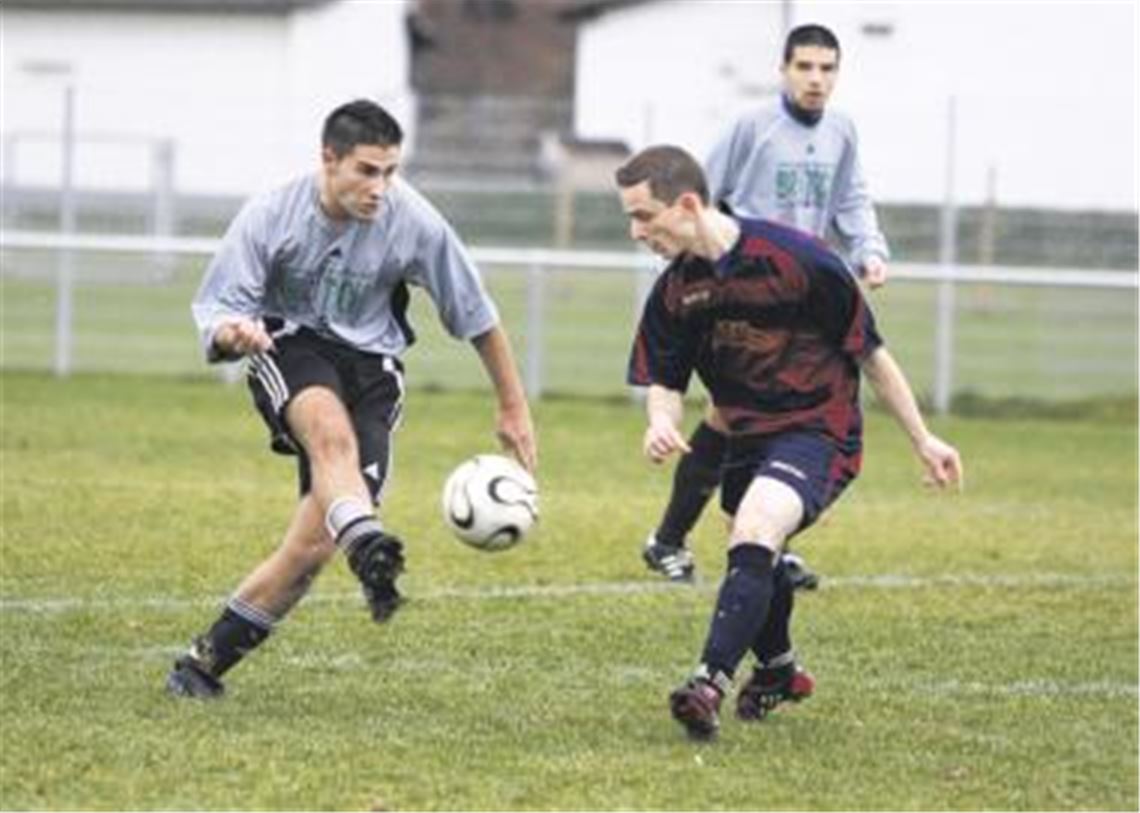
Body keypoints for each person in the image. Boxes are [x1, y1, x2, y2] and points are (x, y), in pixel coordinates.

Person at [166, 99, 537, 698]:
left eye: (391, 172)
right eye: (367, 170)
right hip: (290, 344)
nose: (380, 187)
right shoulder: (271, 214)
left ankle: (201, 664)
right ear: (328, 160)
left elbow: (477, 316)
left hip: (374, 368)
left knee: (313, 545)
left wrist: (513, 407)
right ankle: (365, 536)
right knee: (329, 436)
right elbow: (221, 310)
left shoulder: (415, 221)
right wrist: (234, 334)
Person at [616, 145, 962, 739]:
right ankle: (778, 670)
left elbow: (872, 356)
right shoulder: (676, 291)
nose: (635, 232)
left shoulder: (797, 260)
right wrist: (659, 421)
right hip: (746, 438)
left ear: (689, 204)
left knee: (754, 526)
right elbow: (665, 379)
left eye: (644, 216)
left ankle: (707, 682)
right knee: (756, 547)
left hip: (818, 429)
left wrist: (923, 439)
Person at [641, 23, 891, 589]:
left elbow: (852, 198)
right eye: (804, 67)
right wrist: (686, 266)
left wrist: (869, 249)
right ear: (783, 69)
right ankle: (676, 539)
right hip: (744, 294)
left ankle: (748, 538)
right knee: (735, 414)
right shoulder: (752, 127)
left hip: (807, 303)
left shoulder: (842, 131)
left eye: (827, 68)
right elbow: (699, 198)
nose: (816, 79)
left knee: (786, 415)